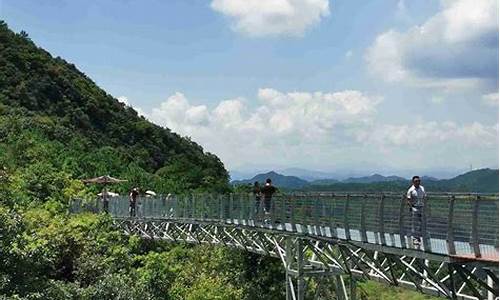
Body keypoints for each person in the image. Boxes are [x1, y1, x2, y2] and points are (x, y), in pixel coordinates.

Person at [406, 176, 426, 246]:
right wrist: (412, 208)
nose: (417, 182)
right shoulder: (411, 190)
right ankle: (415, 238)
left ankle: (419, 237)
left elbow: (424, 197)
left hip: (422, 207)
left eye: (418, 181)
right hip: (415, 208)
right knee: (415, 224)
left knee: (421, 223)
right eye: (416, 181)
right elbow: (408, 200)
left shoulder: (422, 188)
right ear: (413, 182)